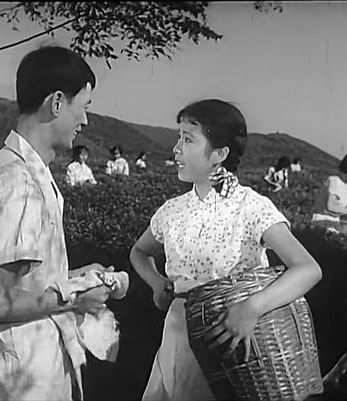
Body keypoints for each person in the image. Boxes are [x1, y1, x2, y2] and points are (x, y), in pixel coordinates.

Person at [0, 46, 117, 401]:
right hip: (8, 385)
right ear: (57, 103)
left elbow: (20, 283)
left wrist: (76, 277)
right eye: (83, 107)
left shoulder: (21, 173)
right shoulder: (18, 184)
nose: (85, 121)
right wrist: (76, 296)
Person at [130, 99, 322, 401]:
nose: (176, 149)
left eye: (188, 140)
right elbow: (139, 252)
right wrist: (157, 283)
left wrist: (253, 308)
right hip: (176, 336)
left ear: (220, 153)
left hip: (230, 342)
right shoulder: (172, 210)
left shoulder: (250, 206)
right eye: (179, 138)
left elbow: (308, 268)